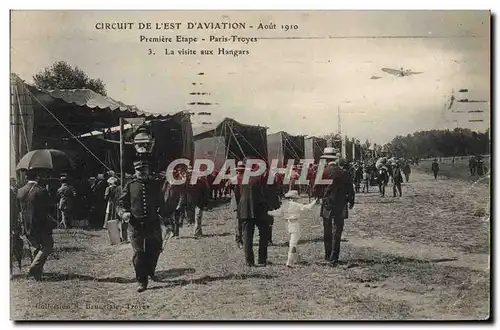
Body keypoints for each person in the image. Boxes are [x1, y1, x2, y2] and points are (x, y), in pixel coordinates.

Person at [117, 160, 165, 293]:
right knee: (139, 253)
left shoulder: (155, 185)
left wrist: (165, 218)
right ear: (135, 171)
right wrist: (123, 213)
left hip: (153, 224)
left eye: (144, 170)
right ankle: (141, 280)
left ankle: (150, 271)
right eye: (139, 171)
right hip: (136, 225)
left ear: (148, 171)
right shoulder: (130, 185)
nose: (142, 173)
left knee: (154, 250)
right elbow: (121, 203)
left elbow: (162, 203)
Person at [235, 159, 280, 267]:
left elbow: (238, 194)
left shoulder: (239, 177)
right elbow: (268, 193)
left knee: (247, 237)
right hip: (260, 209)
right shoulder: (261, 178)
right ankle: (262, 259)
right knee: (264, 235)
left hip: (245, 210)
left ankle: (249, 262)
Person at [313, 148, 355, 266]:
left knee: (327, 230)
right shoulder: (344, 172)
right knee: (337, 232)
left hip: (327, 205)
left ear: (326, 159)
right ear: (335, 159)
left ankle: (327, 255)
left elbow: (316, 188)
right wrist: (351, 201)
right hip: (341, 205)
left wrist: (318, 197)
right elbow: (350, 189)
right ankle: (334, 257)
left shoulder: (323, 172)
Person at [17, 170, 56, 280]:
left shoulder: (20, 191)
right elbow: (50, 208)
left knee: (35, 247)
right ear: (37, 177)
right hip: (41, 224)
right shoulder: (42, 191)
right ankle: (33, 268)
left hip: (27, 224)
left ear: (26, 178)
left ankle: (37, 275)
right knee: (48, 245)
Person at [183, 166, 211, 238]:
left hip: (199, 202)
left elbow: (206, 192)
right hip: (190, 203)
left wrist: (205, 202)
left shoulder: (201, 183)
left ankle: (196, 232)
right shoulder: (187, 183)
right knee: (193, 217)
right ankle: (199, 231)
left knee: (198, 216)